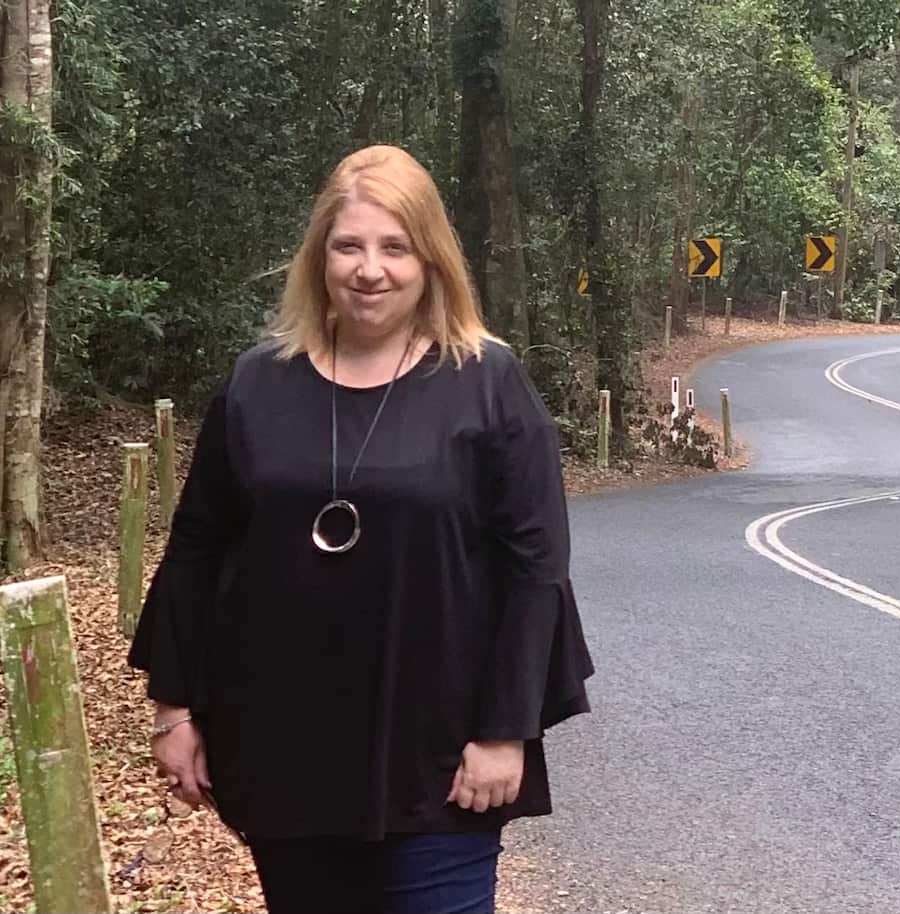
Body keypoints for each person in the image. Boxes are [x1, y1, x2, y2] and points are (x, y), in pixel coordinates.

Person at [127, 144, 594, 914]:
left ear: (431, 259)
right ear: (320, 257)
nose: (369, 270)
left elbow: (535, 568)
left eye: (394, 248)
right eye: (349, 246)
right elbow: (198, 546)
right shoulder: (257, 383)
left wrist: (504, 730)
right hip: (285, 750)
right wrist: (173, 710)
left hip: (441, 758)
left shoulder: (488, 383)